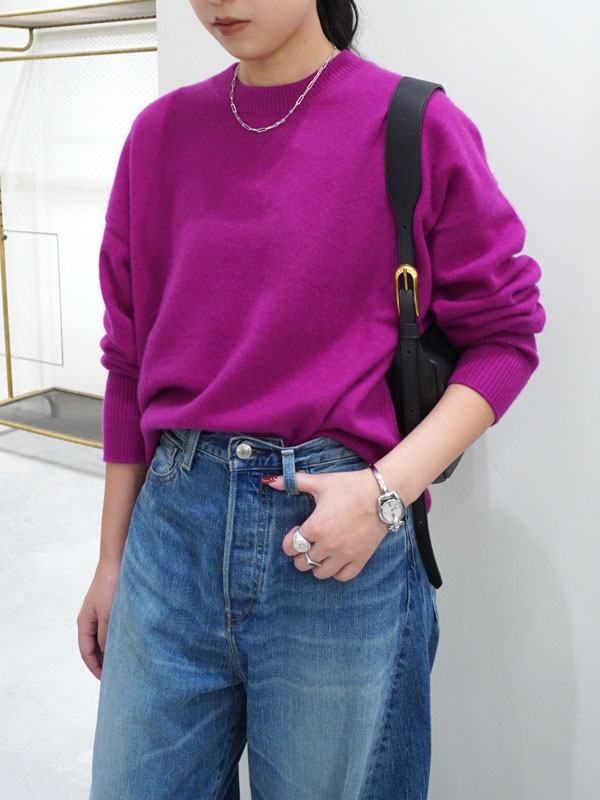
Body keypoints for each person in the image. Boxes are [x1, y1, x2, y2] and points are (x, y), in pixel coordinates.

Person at [77, 1, 546, 798]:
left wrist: (387, 492)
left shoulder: (413, 125)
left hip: (336, 548)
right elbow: (129, 361)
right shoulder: (159, 137)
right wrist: (113, 558)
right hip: (170, 537)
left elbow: (505, 338)